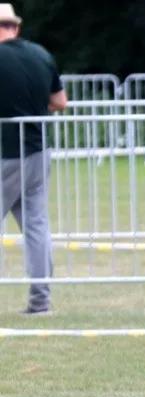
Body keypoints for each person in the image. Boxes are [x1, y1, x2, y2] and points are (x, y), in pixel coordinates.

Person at [0, 3, 66, 315]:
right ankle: (41, 300)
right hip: (38, 151)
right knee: (37, 226)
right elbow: (60, 101)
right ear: (16, 26)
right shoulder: (41, 55)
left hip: (4, 153)